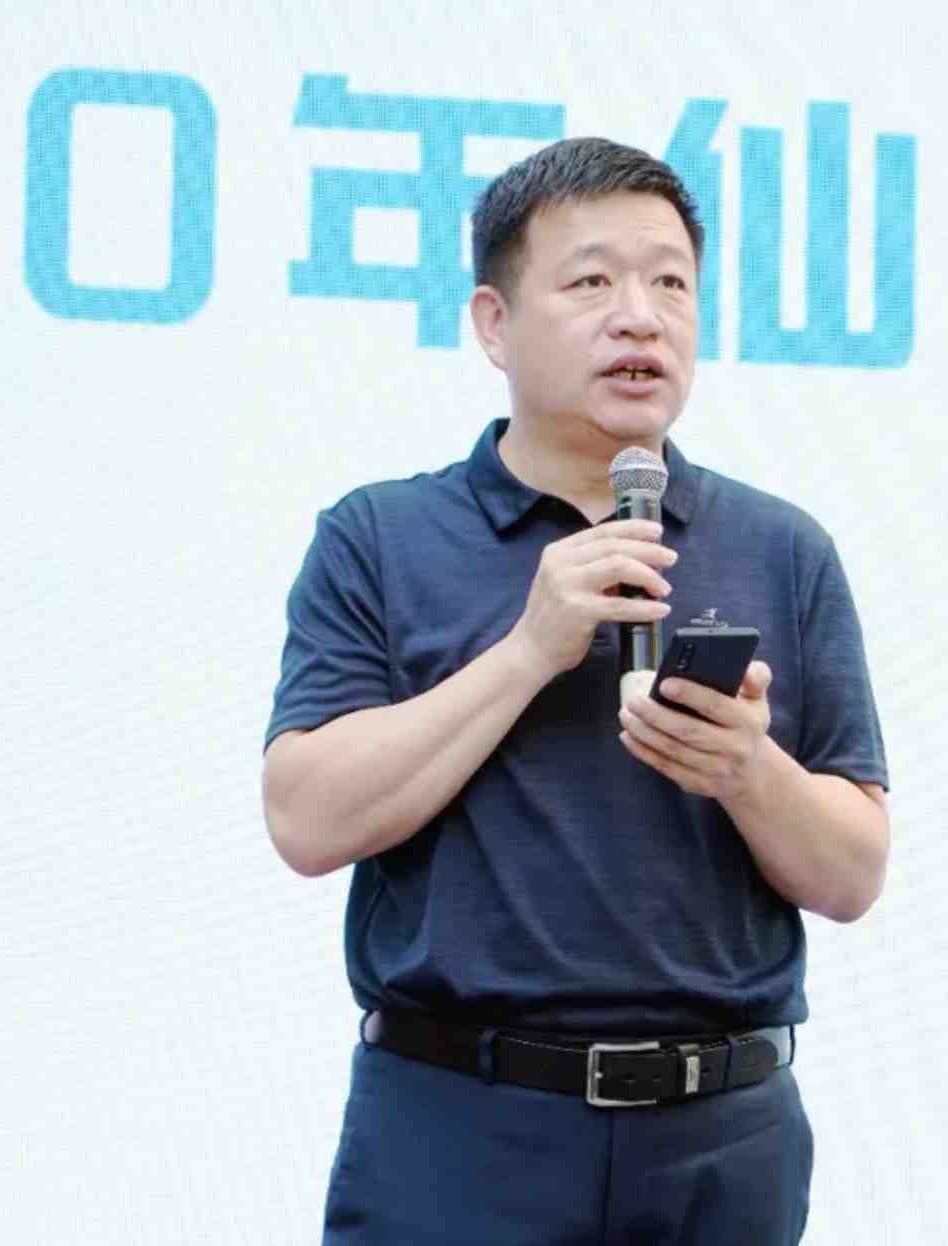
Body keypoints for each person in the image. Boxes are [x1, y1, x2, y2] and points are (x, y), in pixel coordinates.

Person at [262, 136, 890, 1245]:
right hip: (460, 1129)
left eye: (670, 284)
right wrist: (528, 648)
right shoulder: (380, 537)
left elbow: (850, 874)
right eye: (592, 281)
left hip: (720, 1142)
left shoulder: (782, 548)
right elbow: (306, 821)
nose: (639, 318)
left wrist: (745, 768)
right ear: (493, 324)